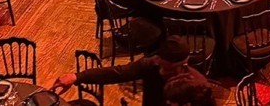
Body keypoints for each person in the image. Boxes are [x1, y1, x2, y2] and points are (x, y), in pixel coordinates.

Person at [53, 39, 213, 106]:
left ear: (183, 65)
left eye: (167, 68)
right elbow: (117, 73)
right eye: (160, 63)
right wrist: (77, 76)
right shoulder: (152, 64)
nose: (161, 70)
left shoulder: (198, 85)